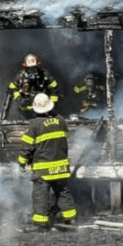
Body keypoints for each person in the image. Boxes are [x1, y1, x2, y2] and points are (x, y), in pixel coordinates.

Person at [17, 93, 77, 230]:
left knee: (41, 195)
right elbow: (63, 139)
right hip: (61, 166)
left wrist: (22, 162)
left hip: (43, 168)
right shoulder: (61, 120)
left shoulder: (35, 124)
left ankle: (41, 224)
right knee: (63, 193)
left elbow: (27, 146)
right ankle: (71, 221)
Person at [1, 53, 60, 119]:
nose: (32, 70)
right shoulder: (20, 76)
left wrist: (51, 102)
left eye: (34, 67)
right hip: (25, 109)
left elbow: (54, 88)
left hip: (42, 108)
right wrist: (16, 93)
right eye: (29, 68)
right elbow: (10, 90)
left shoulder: (45, 75)